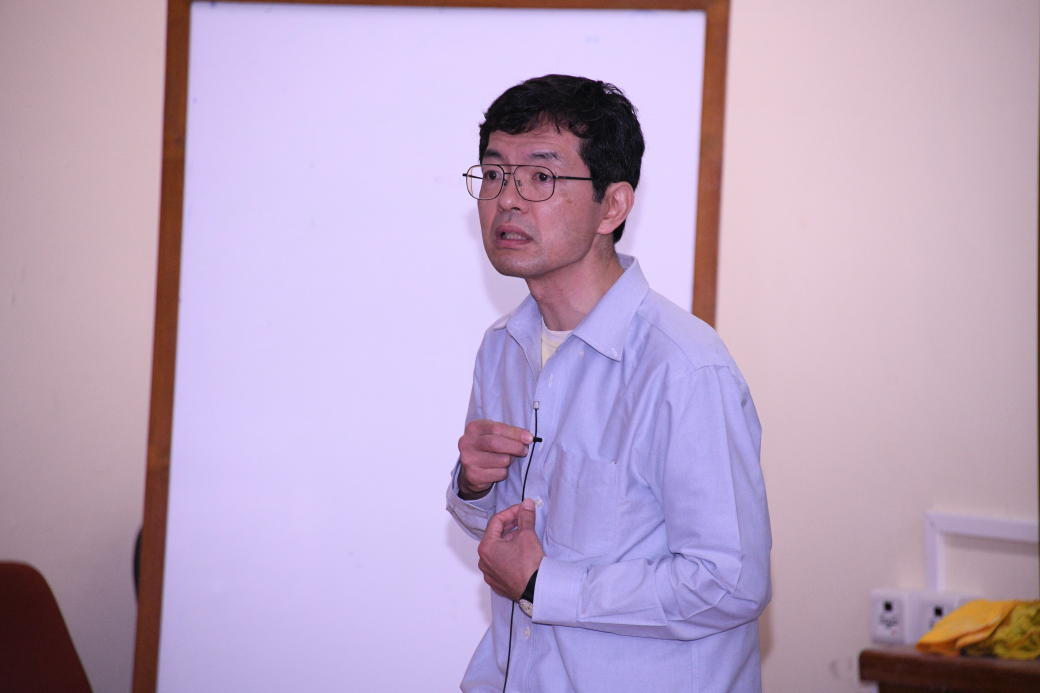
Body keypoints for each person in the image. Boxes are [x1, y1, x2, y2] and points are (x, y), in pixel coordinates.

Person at [446, 74, 771, 693]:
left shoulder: (683, 368)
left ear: (613, 206)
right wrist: (472, 484)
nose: (507, 199)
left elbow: (731, 582)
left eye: (540, 176)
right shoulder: (503, 347)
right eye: (493, 174)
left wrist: (545, 584)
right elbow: (511, 536)